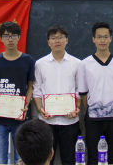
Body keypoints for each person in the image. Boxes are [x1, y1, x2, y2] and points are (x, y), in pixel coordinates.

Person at [77, 22, 113, 165]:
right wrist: (93, 110)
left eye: (106, 37)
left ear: (111, 38)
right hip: (93, 119)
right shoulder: (85, 64)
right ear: (93, 39)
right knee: (93, 158)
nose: (102, 40)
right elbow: (83, 93)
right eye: (99, 37)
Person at [0, 21, 36, 165]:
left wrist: (26, 105)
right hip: (0, 118)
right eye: (6, 36)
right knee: (0, 159)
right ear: (1, 38)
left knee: (19, 159)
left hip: (20, 116)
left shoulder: (28, 61)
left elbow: (30, 87)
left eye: (13, 35)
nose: (10, 39)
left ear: (19, 37)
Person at [33, 25, 81, 165]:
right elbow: (36, 90)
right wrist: (40, 109)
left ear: (67, 40)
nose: (57, 41)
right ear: (48, 42)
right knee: (46, 160)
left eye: (60, 37)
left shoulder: (77, 63)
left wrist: (77, 108)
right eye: (53, 38)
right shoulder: (40, 64)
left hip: (70, 121)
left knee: (69, 160)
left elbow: (79, 90)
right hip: (46, 122)